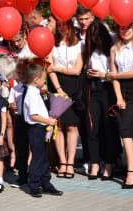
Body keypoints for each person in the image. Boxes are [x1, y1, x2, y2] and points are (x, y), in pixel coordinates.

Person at [107, 20, 133, 189]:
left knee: (128, 131)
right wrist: (118, 97)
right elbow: (113, 76)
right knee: (125, 131)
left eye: (128, 27)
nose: (125, 30)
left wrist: (114, 76)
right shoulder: (114, 48)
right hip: (121, 93)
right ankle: (132, 169)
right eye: (122, 27)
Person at [84, 21, 121, 180]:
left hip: (108, 88)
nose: (94, 40)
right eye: (91, 37)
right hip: (93, 88)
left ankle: (109, 163)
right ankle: (95, 162)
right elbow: (85, 67)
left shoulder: (111, 47)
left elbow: (115, 72)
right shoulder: (89, 49)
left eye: (96, 37)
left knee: (108, 128)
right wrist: (88, 73)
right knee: (92, 127)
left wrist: (102, 74)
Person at [47, 19, 83, 179]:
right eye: (59, 24)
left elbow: (77, 70)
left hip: (74, 87)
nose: (62, 28)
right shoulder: (51, 44)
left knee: (72, 126)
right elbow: (49, 68)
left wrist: (57, 68)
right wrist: (59, 89)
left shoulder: (79, 44)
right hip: (57, 87)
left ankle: (70, 162)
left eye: (65, 24)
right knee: (58, 127)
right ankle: (62, 162)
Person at [23, 64, 63, 198]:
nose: (44, 81)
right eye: (43, 79)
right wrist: (49, 121)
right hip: (37, 129)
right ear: (36, 80)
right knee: (38, 158)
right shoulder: (32, 94)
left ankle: (46, 183)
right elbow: (33, 115)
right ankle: (34, 185)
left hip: (41, 129)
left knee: (44, 157)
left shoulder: (34, 92)